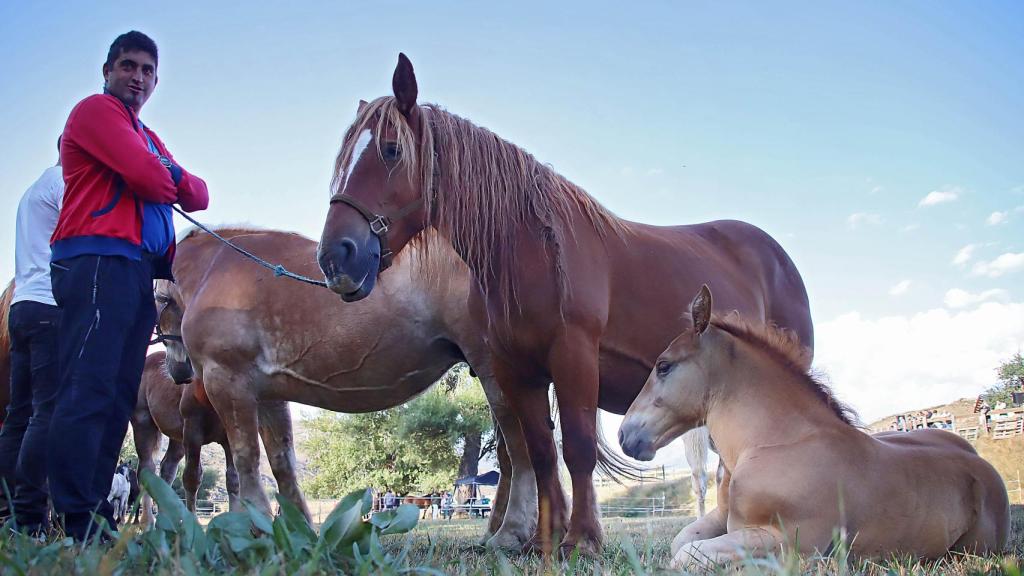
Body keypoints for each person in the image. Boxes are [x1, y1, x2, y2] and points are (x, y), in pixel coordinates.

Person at [47, 30, 208, 541]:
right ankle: (74, 518)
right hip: (97, 260)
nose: (137, 77)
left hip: (138, 272)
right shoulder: (95, 112)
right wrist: (162, 172)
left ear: (156, 80)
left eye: (147, 71)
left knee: (117, 395)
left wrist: (161, 170)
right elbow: (154, 179)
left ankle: (95, 516)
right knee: (88, 387)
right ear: (108, 71)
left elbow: (197, 193)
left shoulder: (145, 133)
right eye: (128, 66)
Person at [0, 138, 64, 534]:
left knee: (17, 416)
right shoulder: (66, 184)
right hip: (50, 307)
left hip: (21, 307)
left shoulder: (34, 188)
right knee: (47, 413)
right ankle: (30, 518)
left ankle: (7, 510)